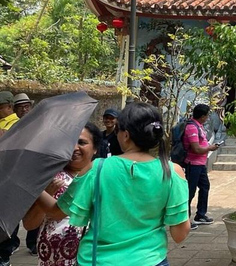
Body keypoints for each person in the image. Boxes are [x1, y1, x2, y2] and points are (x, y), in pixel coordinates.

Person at [36, 102, 190, 266]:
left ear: (125, 135)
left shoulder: (96, 168)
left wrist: (34, 188)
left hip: (97, 260)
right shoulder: (173, 172)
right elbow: (179, 234)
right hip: (150, 260)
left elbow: (56, 212)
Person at [23, 123, 102, 265]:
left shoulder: (103, 177)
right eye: (70, 142)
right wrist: (47, 194)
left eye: (82, 142)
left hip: (91, 258)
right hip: (52, 259)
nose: (74, 148)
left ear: (95, 148)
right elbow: (29, 224)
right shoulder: (49, 178)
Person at [183, 104, 220, 230]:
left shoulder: (198, 126)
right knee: (190, 191)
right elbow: (196, 149)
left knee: (205, 187)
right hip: (193, 164)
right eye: (207, 115)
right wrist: (210, 148)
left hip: (200, 164)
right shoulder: (192, 127)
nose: (208, 117)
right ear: (203, 116)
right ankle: (185, 219)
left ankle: (200, 215)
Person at [12, 93, 39, 255]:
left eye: (27, 106)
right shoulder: (11, 126)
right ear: (14, 109)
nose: (24, 109)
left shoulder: (38, 124)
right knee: (14, 210)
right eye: (20, 106)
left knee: (36, 208)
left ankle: (32, 243)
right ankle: (12, 242)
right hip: (15, 173)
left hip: (34, 173)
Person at [0, 91, 21, 266]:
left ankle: (5, 254)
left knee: (8, 216)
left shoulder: (17, 123)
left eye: (0, 108)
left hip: (10, 176)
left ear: (8, 107)